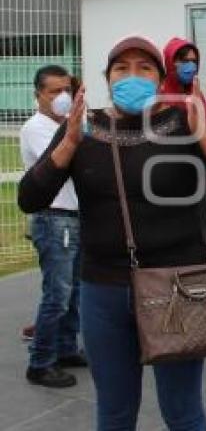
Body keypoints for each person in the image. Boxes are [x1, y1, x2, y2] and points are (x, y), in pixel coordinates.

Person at [17, 35, 206, 430]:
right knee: (114, 409)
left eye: (144, 68)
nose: (132, 76)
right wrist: (69, 143)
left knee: (182, 409)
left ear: (160, 79)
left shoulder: (183, 123)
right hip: (103, 289)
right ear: (107, 78)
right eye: (122, 68)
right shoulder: (83, 128)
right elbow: (30, 197)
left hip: (179, 287)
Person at [19, 65, 85, 388]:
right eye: (53, 92)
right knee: (57, 294)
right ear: (38, 96)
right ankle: (40, 361)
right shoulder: (37, 127)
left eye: (66, 91)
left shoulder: (66, 124)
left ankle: (66, 348)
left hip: (73, 216)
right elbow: (70, 158)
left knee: (75, 292)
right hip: (53, 217)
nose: (62, 98)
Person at [161, 37, 200, 106]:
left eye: (194, 61)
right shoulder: (160, 96)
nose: (191, 66)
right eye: (185, 61)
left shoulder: (196, 93)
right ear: (170, 63)